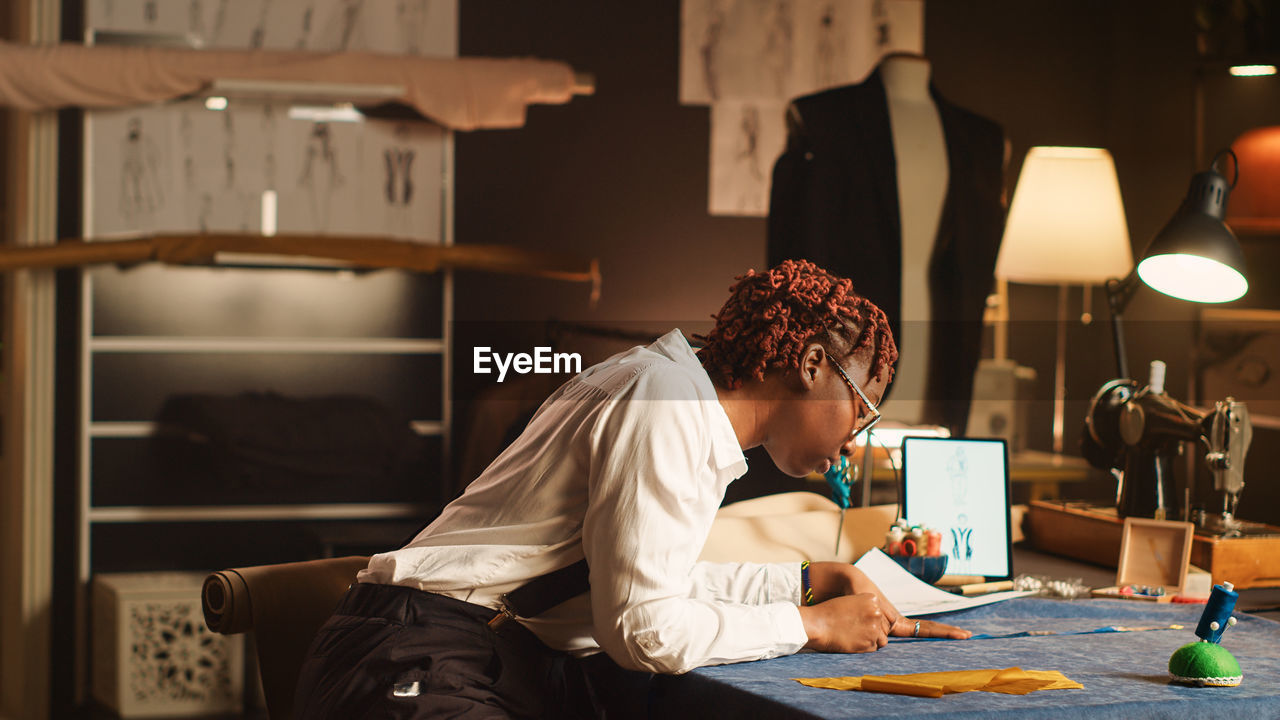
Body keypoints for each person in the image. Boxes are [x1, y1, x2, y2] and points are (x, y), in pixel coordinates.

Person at [294, 259, 971, 718]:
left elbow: (639, 584)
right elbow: (643, 631)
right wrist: (810, 625)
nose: (857, 435)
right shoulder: (667, 404)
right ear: (811, 364)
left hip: (460, 652)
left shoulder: (673, 395)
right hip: (413, 663)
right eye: (864, 406)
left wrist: (797, 583)